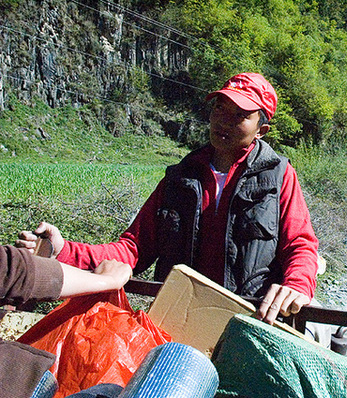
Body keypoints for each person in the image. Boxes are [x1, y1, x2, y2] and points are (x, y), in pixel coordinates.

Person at [17, 72, 320, 327]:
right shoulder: (180, 177)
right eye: (219, 109)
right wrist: (64, 249)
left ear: (261, 129)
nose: (224, 122)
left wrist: (297, 285)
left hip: (248, 321)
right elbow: (133, 248)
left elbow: (301, 244)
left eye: (240, 115)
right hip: (178, 320)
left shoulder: (278, 175)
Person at [0, 244, 132, 398]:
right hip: (13, 381)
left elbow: (131, 249)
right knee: (115, 390)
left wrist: (64, 250)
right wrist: (106, 281)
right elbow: (14, 271)